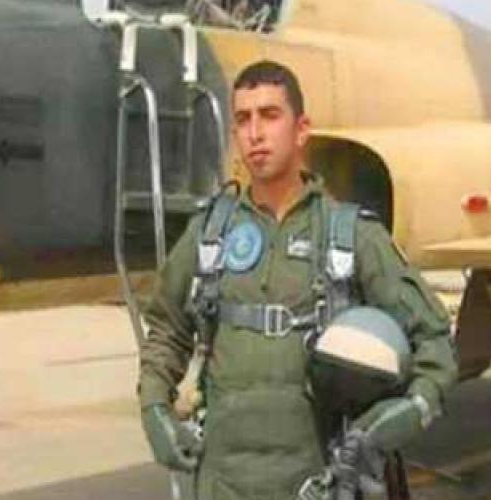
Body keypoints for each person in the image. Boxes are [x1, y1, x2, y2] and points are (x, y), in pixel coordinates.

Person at [138, 60, 458, 499]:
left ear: (301, 129)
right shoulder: (210, 233)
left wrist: (414, 407)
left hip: (317, 482)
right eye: (243, 119)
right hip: (221, 483)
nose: (255, 133)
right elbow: (167, 328)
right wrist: (154, 406)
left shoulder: (349, 236)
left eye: (270, 115)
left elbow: (435, 340)